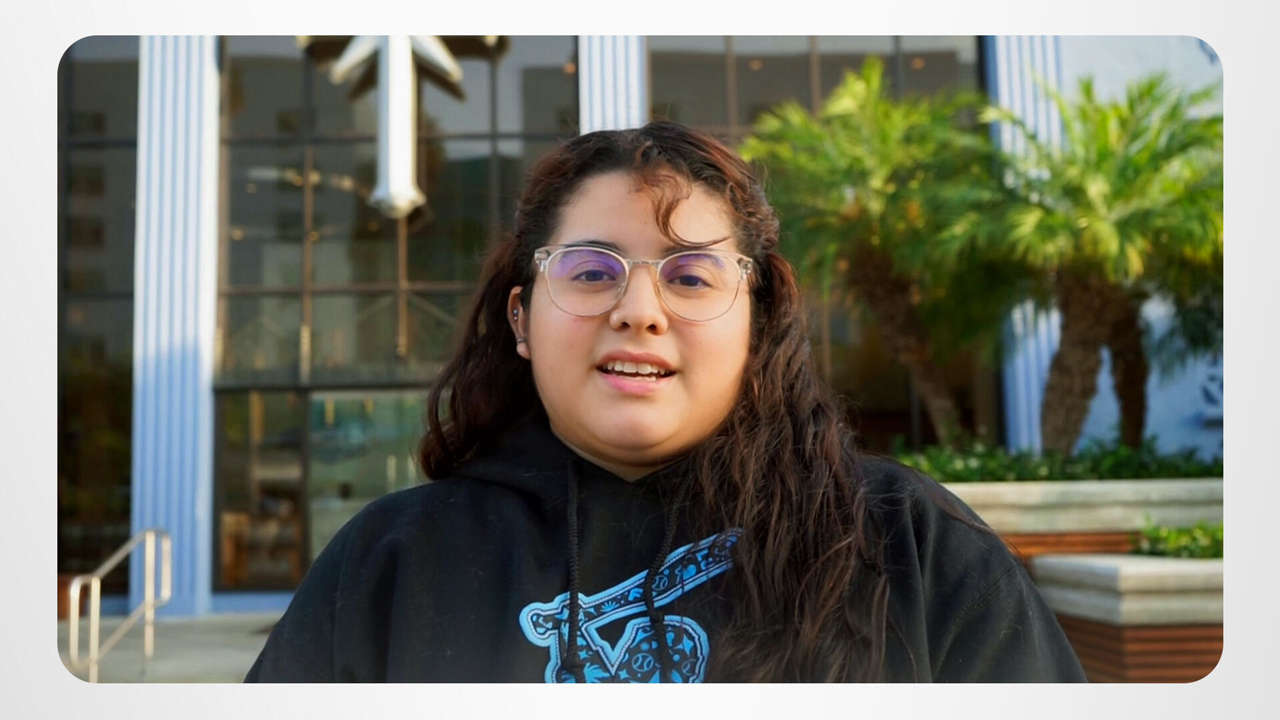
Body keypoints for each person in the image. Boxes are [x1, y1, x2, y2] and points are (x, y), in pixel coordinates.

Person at [245, 121, 1086, 683]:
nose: (639, 310)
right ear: (522, 320)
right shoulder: (392, 564)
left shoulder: (909, 545)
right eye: (590, 272)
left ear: (756, 322)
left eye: (691, 276)